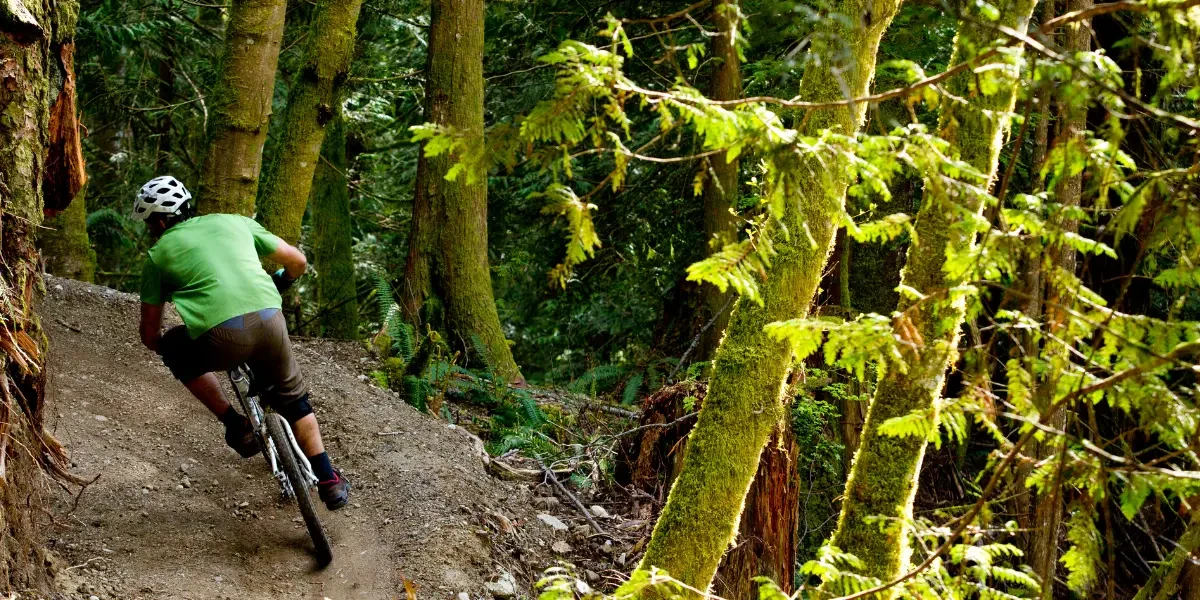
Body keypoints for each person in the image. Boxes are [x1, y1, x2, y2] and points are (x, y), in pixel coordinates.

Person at [133, 175, 350, 510]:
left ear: (160, 221)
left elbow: (150, 334)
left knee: (176, 348)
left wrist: (166, 346)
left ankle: (238, 426)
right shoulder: (235, 222)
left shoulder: (158, 255)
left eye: (150, 223)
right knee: (295, 403)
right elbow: (298, 262)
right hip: (270, 321)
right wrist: (281, 282)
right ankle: (328, 480)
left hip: (219, 338)